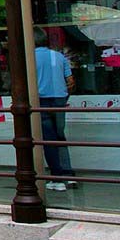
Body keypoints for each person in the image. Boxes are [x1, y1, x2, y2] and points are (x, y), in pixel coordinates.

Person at [34, 28, 77, 191]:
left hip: (41, 100)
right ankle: (68, 174)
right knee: (60, 136)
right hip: (60, 99)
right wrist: (64, 96)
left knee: (48, 139)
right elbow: (70, 81)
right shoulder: (59, 56)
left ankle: (56, 177)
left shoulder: (30, 58)